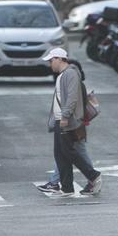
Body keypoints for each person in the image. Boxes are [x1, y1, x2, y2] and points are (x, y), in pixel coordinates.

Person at [40, 48, 101, 197]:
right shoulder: (64, 75)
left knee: (69, 152)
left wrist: (65, 116)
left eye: (51, 60)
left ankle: (93, 176)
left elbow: (72, 98)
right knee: (61, 154)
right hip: (60, 120)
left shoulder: (70, 74)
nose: (50, 64)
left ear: (59, 59)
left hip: (66, 121)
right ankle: (66, 188)